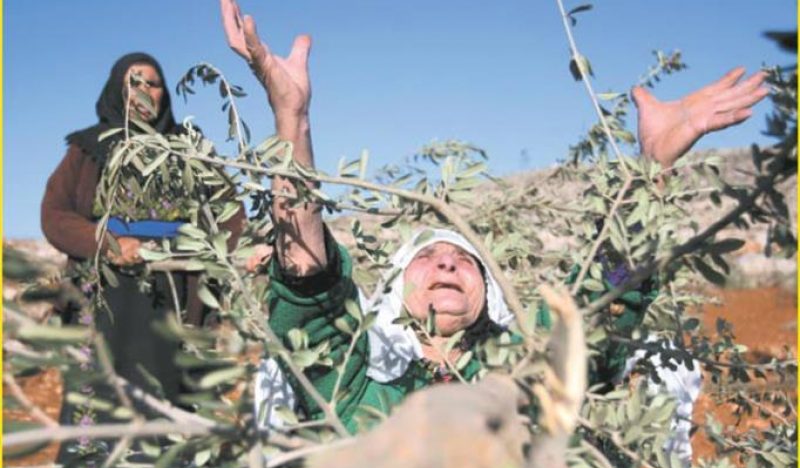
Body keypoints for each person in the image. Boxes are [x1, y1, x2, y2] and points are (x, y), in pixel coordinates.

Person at [220, 0, 767, 444]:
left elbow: (604, 304)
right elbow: (308, 283)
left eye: (466, 261)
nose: (448, 261)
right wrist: (292, 118)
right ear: (392, 292)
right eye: (428, 257)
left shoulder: (522, 377)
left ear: (490, 295)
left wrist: (651, 170)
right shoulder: (351, 381)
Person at [41, 52, 245, 465]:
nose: (145, 92)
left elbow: (231, 213)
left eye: (153, 83)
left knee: (168, 393)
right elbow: (55, 214)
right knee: (99, 393)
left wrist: (199, 252)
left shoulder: (187, 149)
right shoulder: (87, 149)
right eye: (135, 83)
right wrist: (106, 242)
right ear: (118, 89)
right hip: (104, 296)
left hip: (173, 294)